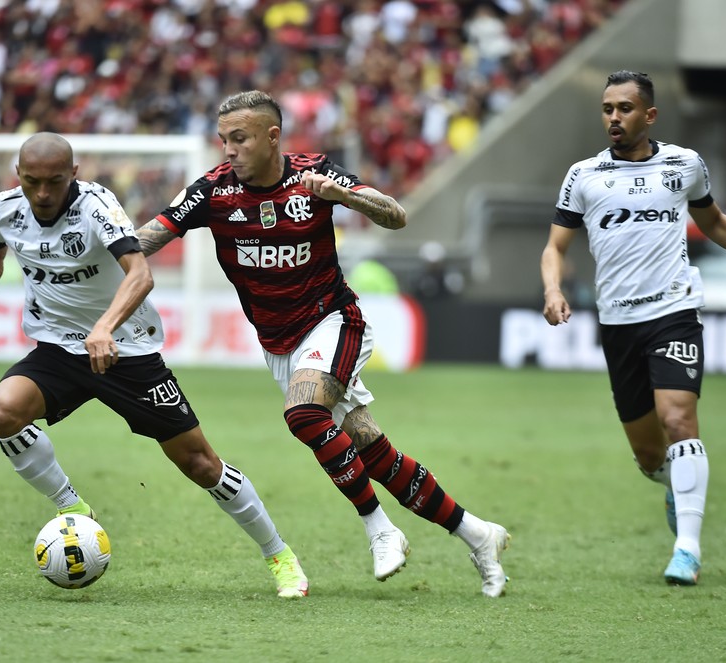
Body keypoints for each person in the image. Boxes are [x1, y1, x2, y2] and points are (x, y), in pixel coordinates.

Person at [135, 90, 511, 597]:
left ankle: (379, 528)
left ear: (273, 138)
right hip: (279, 344)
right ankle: (478, 534)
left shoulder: (314, 175)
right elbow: (147, 239)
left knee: (303, 414)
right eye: (223, 140)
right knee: (371, 450)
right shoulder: (213, 191)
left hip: (334, 321)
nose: (228, 150)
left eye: (239, 139)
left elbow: (395, 215)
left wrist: (345, 197)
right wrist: (96, 247)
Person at [0, 132, 309, 599]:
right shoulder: (4, 208)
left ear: (74, 175)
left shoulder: (97, 206)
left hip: (127, 351)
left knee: (201, 464)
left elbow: (140, 274)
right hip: (59, 350)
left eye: (54, 182)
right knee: (5, 412)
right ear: (18, 176)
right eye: (32, 182)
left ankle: (279, 555)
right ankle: (71, 507)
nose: (42, 194)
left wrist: (104, 328)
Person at [540, 70, 726, 585]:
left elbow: (715, 222)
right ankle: (677, 484)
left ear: (650, 114)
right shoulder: (583, 175)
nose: (614, 117)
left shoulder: (684, 165)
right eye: (607, 108)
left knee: (679, 418)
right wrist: (553, 289)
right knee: (648, 454)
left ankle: (687, 549)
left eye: (625, 108)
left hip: (675, 310)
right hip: (618, 323)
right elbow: (555, 247)